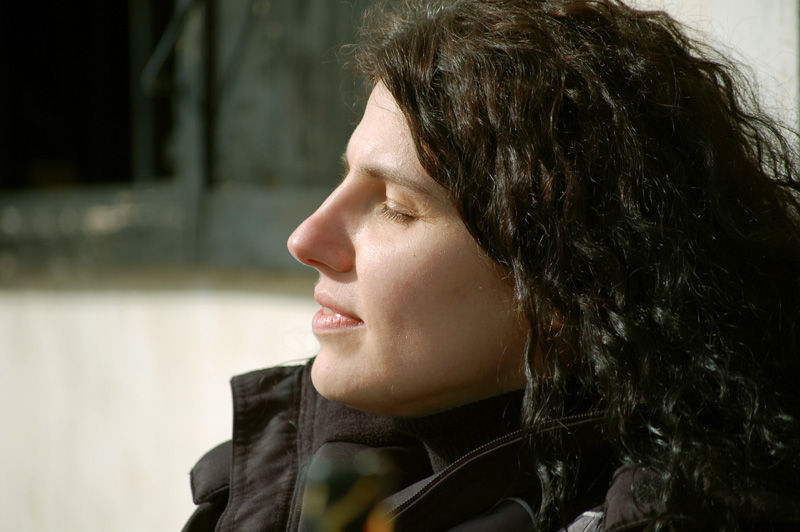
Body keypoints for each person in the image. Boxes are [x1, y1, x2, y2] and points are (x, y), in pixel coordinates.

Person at [182, 1, 800, 530]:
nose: (305, 239)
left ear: (565, 283)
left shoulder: (692, 513)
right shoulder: (262, 487)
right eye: (343, 178)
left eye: (395, 206)